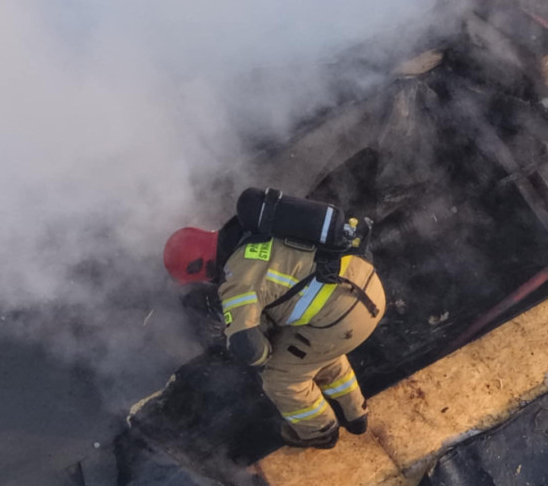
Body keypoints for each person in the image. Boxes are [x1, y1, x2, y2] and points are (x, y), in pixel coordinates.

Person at [163, 192, 385, 450]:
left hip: (345, 318)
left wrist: (266, 353)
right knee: (313, 353)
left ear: (202, 267)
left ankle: (320, 432)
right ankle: (356, 414)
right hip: (366, 286)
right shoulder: (255, 233)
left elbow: (249, 348)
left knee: (281, 378)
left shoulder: (236, 278)